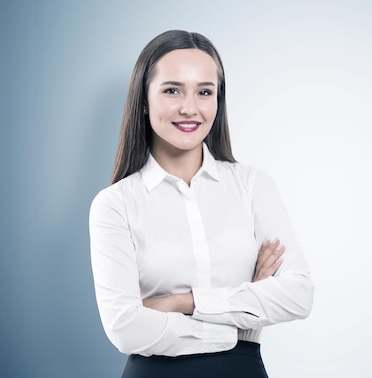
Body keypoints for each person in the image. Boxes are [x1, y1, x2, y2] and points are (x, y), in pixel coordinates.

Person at [89, 30, 314, 378]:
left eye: (204, 92)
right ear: (144, 99)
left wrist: (184, 302)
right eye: (172, 90)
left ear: (217, 101)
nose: (189, 107)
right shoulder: (115, 204)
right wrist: (243, 314)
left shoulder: (252, 185)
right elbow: (125, 327)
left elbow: (298, 295)